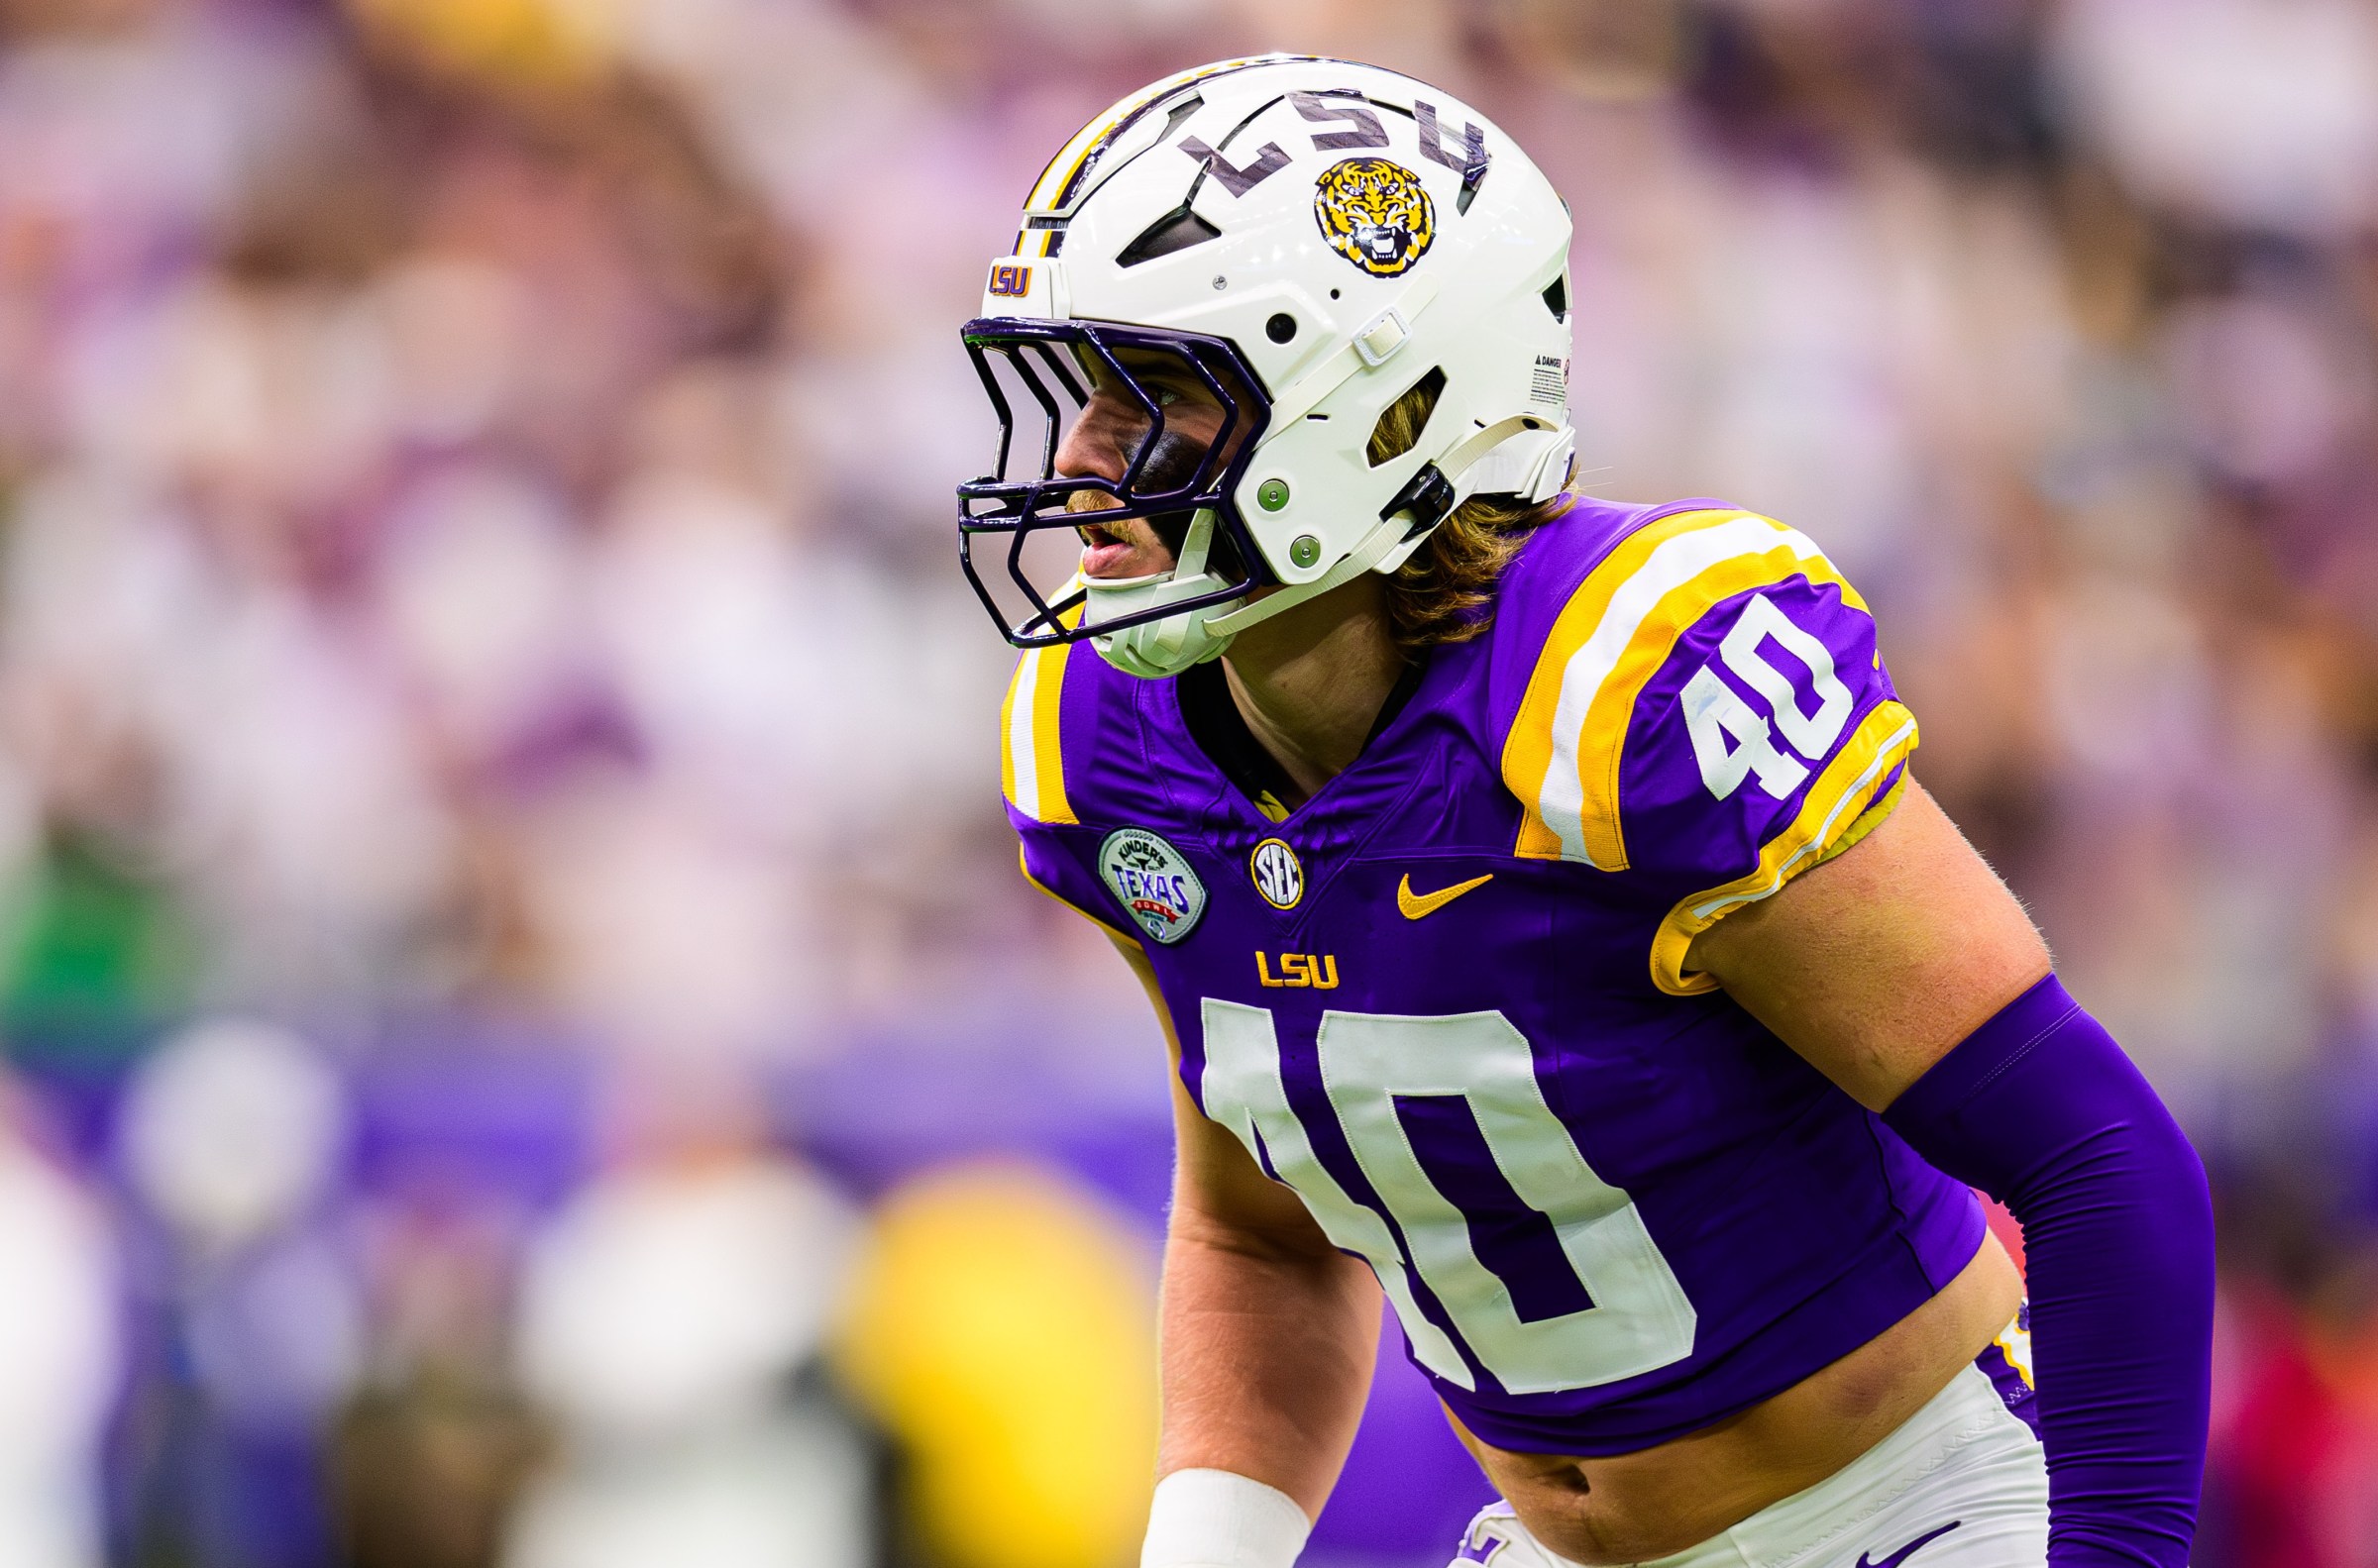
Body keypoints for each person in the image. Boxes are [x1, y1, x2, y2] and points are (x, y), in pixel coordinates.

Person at [957, 55, 2212, 1568]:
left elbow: (2099, 1157)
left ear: (1384, 410)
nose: (1086, 462)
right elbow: (1264, 1233)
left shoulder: (1621, 690)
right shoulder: (1110, 740)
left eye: (1156, 395)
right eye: (1084, 391)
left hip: (1912, 1515)